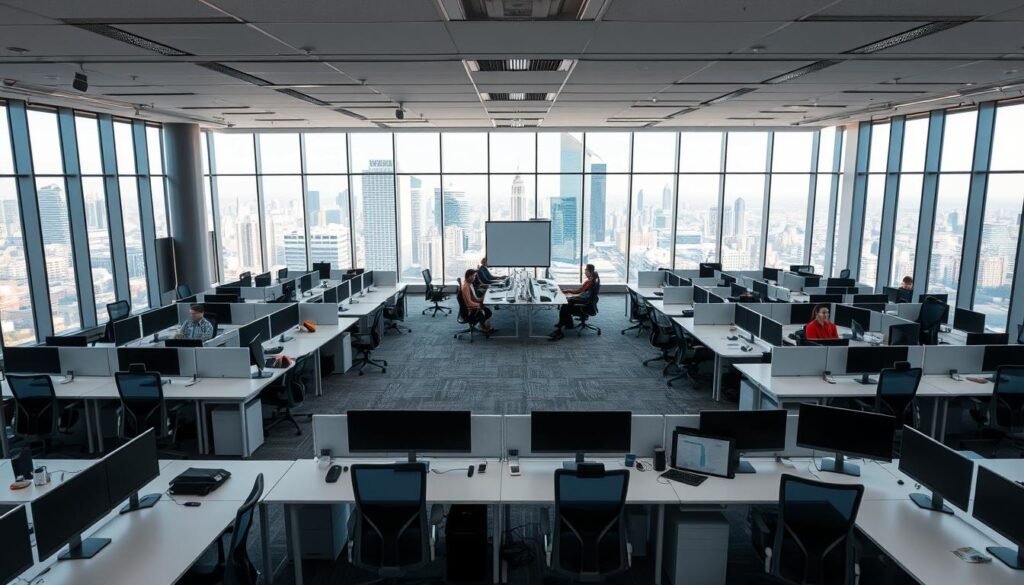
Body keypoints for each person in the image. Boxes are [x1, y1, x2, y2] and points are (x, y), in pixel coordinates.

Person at [548, 264, 599, 341]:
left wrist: (570, 296)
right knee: (566, 303)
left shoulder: (590, 283)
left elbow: (581, 294)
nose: (584, 272)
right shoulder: (590, 281)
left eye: (586, 270)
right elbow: (580, 292)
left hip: (585, 305)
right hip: (586, 302)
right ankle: (566, 324)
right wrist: (568, 291)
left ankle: (561, 327)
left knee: (565, 305)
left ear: (590, 272)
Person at [460, 269, 496, 334]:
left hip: (472, 307)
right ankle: (483, 328)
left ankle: (483, 326)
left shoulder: (470, 284)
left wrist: (482, 300)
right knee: (485, 311)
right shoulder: (466, 287)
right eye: (474, 276)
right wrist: (480, 305)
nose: (475, 278)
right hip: (469, 311)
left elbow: (475, 298)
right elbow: (469, 303)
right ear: (469, 276)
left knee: (488, 311)